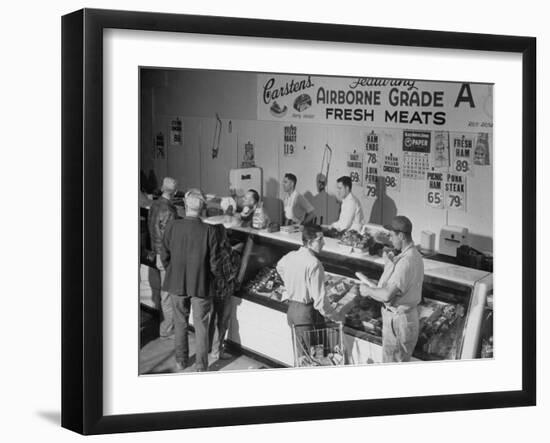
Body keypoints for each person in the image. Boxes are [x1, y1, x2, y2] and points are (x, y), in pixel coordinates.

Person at [161, 188, 221, 372]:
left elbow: (164, 255)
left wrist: (173, 270)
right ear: (202, 207)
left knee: (180, 323)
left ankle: (181, 361)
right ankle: (201, 367)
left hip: (176, 281)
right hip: (200, 284)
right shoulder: (209, 230)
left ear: (185, 206)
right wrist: (210, 278)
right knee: (201, 326)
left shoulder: (172, 226)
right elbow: (214, 264)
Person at [359, 216, 424, 362]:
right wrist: (390, 263)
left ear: (401, 236)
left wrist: (368, 291)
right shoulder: (415, 255)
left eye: (392, 235)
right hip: (407, 318)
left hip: (398, 322)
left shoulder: (405, 262)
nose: (390, 239)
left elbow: (387, 295)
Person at [276, 225, 344, 363]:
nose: (323, 243)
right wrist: (336, 317)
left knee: (302, 355)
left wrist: (292, 283)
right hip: (307, 314)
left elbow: (279, 267)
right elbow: (320, 302)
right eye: (320, 240)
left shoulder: (290, 256)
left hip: (292, 311)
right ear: (309, 241)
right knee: (316, 356)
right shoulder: (314, 263)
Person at [147, 177, 178, 338]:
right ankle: (166, 330)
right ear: (174, 192)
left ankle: (165, 327)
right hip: (165, 255)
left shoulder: (154, 204)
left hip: (155, 251)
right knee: (167, 295)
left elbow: (152, 227)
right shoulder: (170, 211)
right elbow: (170, 236)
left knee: (161, 292)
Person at [208, 224, 242, 361]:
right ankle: (217, 352)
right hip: (223, 291)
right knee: (221, 322)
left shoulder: (210, 248)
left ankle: (209, 346)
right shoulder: (224, 252)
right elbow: (229, 274)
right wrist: (236, 258)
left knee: (212, 320)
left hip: (210, 290)